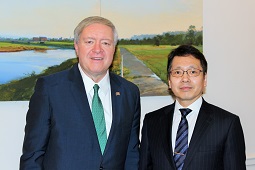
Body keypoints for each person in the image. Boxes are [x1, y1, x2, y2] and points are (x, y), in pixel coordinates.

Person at [20, 16, 141, 170]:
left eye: (106, 43)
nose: (98, 49)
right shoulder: (50, 89)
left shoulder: (129, 93)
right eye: (89, 42)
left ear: (114, 48)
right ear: (76, 46)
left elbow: (132, 155)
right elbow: (33, 157)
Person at [139, 45, 246, 170]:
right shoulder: (152, 121)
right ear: (169, 80)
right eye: (177, 72)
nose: (185, 79)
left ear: (204, 79)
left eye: (193, 72)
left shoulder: (227, 123)